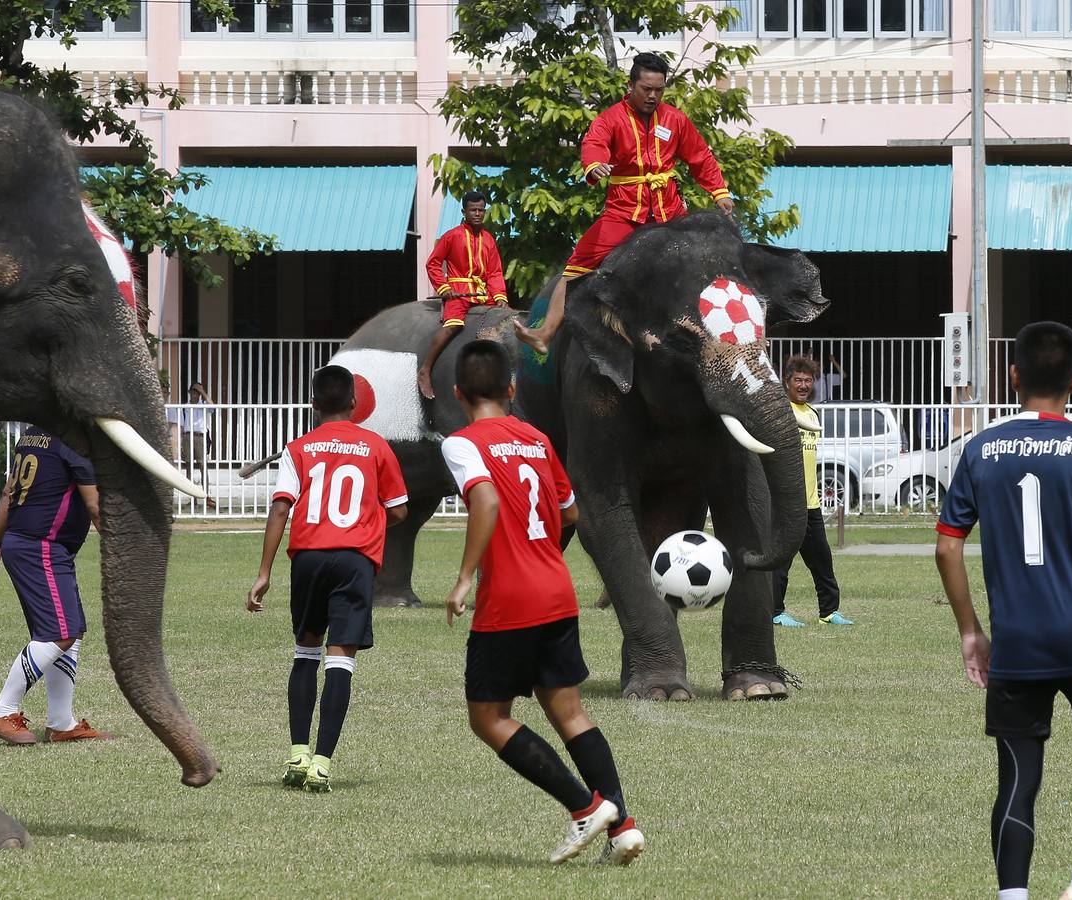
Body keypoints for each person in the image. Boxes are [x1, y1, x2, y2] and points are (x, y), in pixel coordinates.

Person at [440, 339, 644, 866]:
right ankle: (622, 827)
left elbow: (484, 498)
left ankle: (584, 807)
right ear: (512, 388)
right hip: (556, 590)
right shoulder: (535, 439)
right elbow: (569, 512)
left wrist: (465, 577)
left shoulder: (462, 444)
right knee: (570, 712)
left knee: (487, 717)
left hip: (509, 599)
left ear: (459, 392)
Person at [936, 322, 1072, 900]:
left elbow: (948, 545)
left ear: (1013, 375)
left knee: (1018, 777)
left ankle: (1014, 897)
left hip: (1016, 640)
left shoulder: (982, 448)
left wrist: (970, 631)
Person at [246, 365, 409, 793]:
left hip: (309, 559)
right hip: (354, 561)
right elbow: (398, 510)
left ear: (314, 403)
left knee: (305, 651)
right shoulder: (376, 447)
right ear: (355, 403)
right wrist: (365, 521)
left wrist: (264, 573)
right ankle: (321, 763)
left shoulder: (298, 448)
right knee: (341, 658)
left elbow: (281, 507)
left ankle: (297, 752)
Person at [514, 52, 735, 355]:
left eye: (659, 89)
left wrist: (719, 192)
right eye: (646, 89)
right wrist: (594, 165)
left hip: (669, 211)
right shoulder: (611, 118)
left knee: (706, 260)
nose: (653, 96)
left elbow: (701, 157)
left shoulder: (675, 119)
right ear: (631, 85)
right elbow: (594, 144)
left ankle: (722, 334)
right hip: (623, 211)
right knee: (577, 265)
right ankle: (545, 333)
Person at [0, 425, 112, 745]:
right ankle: (2, 710)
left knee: (70, 631)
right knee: (59, 632)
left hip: (30, 546)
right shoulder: (76, 440)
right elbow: (94, 507)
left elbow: (11, 493)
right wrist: (126, 546)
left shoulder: (33, 434)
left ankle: (62, 722)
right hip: (43, 548)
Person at [772, 356, 854, 627]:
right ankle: (775, 613)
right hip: (784, 503)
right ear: (787, 382)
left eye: (808, 380)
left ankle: (829, 612)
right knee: (781, 562)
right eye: (798, 380)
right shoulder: (779, 410)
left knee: (822, 560)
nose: (803, 385)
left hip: (811, 501)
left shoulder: (812, 413)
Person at [419, 190, 508, 400]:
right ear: (464, 211)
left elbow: (494, 272)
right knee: (453, 327)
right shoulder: (452, 235)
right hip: (458, 293)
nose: (477, 214)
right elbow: (432, 264)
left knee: (505, 318)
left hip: (481, 293)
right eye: (473, 210)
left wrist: (500, 297)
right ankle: (425, 370)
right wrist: (443, 287)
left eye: (481, 210)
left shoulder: (489, 239)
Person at [178, 381, 217, 509]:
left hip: (200, 436)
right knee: (189, 467)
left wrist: (203, 392)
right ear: (190, 393)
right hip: (188, 436)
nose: (195, 395)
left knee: (202, 466)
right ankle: (192, 497)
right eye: (194, 392)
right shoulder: (185, 406)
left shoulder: (203, 405)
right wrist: (182, 441)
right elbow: (182, 424)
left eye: (197, 393)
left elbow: (213, 407)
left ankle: (205, 496)